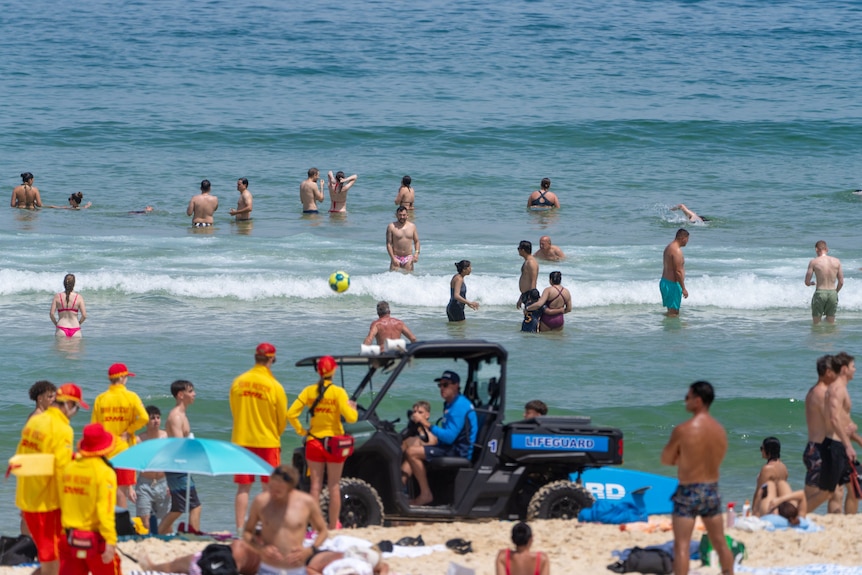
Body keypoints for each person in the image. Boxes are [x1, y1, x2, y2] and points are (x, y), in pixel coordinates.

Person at [660, 381, 734, 575]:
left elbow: (666, 459)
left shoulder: (684, 430)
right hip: (711, 489)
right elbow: (717, 458)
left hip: (688, 489)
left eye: (688, 397)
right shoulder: (720, 431)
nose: (685, 400)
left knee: (682, 545)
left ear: (698, 400)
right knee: (719, 542)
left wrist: (682, 459)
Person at [15, 383, 88, 575]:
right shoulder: (62, 429)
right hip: (47, 504)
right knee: (54, 560)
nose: (75, 413)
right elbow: (61, 471)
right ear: (68, 405)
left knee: (50, 560)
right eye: (77, 408)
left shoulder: (35, 422)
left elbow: (22, 459)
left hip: (29, 497)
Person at [287, 356, 358, 530]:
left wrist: (301, 431)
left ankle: (316, 525)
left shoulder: (308, 391)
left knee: (315, 486)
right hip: (333, 443)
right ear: (334, 371)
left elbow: (291, 414)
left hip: (314, 441)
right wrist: (353, 409)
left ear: (318, 371)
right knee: (334, 486)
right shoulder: (338, 392)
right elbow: (351, 419)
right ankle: (333, 525)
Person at [230, 343, 288, 534]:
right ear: (272, 359)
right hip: (267, 440)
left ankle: (240, 529)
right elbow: (282, 418)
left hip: (242, 439)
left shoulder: (238, 382)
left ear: (256, 357)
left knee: (243, 488)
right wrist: (275, 434)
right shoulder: (274, 386)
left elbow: (234, 410)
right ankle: (267, 526)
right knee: (269, 488)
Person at [402, 370, 477, 506]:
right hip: (450, 447)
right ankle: (402, 491)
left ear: (456, 385)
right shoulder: (450, 404)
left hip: (458, 451)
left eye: (445, 385)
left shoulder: (459, 405)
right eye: (440, 385)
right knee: (413, 449)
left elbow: (449, 437)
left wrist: (425, 423)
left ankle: (426, 495)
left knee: (411, 452)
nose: (442, 388)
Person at [58, 423, 121, 575]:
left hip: (67, 537)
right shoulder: (105, 473)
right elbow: (105, 510)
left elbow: (59, 502)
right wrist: (110, 540)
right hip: (95, 539)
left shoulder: (68, 468)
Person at [241, 465, 329, 575]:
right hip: (267, 569)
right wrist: (260, 549)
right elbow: (247, 532)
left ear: (290, 489)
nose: (273, 493)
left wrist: (310, 550)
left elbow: (323, 531)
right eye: (271, 488)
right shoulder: (261, 502)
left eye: (278, 491)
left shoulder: (307, 503)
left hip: (296, 570)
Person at [91, 362, 149, 509]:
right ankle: (121, 522)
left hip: (105, 450)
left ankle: (105, 519)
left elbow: (94, 427)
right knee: (121, 491)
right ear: (122, 378)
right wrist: (129, 430)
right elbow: (144, 418)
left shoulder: (100, 398)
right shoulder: (132, 397)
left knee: (106, 489)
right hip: (125, 450)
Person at [803, 355, 845, 513]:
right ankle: (795, 517)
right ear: (828, 372)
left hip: (816, 448)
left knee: (836, 492)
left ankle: (834, 522)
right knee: (823, 494)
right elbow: (832, 422)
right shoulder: (823, 393)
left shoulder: (814, 391)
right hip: (821, 450)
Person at [159, 380, 202, 534]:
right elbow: (179, 446)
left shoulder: (182, 415)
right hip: (177, 465)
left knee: (179, 507)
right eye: (190, 391)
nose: (194, 394)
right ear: (180, 395)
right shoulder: (176, 417)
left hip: (179, 465)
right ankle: (193, 536)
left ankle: (158, 534)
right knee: (194, 506)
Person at [821, 351, 859, 514]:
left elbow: (841, 419)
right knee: (837, 491)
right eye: (853, 366)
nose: (855, 369)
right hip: (835, 445)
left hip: (839, 444)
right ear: (844, 369)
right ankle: (837, 521)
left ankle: (846, 520)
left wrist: (855, 437)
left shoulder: (840, 388)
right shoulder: (837, 389)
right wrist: (848, 445)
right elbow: (834, 419)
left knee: (852, 488)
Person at [135, 405, 170, 535]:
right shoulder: (139, 440)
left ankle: (165, 542)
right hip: (144, 483)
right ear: (146, 421)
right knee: (145, 522)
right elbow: (132, 464)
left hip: (163, 483)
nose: (156, 421)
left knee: (166, 524)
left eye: (158, 417)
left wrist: (172, 483)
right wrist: (130, 487)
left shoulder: (166, 437)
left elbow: (172, 461)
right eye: (152, 418)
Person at [804, 240, 844, 324]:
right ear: (827, 249)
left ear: (816, 249)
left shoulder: (814, 262)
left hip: (820, 293)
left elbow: (807, 282)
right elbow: (841, 282)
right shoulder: (837, 261)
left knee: (816, 323)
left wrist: (811, 283)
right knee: (831, 322)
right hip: (833, 293)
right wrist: (835, 292)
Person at [751, 437, 790, 516]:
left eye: (762, 448)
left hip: (769, 507)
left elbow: (759, 492)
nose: (761, 451)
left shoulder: (767, 469)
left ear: (768, 450)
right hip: (781, 506)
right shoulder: (783, 467)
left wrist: (754, 510)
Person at [660, 229, 690, 317]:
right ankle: (670, 326)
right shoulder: (676, 251)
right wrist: (683, 288)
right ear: (683, 238)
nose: (687, 242)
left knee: (671, 312)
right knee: (674, 313)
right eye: (687, 239)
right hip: (672, 285)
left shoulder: (669, 247)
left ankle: (665, 325)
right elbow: (678, 271)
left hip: (665, 282)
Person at [50, 273, 87, 338]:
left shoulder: (57, 296)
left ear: (64, 283)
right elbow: (84, 315)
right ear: (74, 284)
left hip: (61, 328)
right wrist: (79, 323)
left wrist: (56, 323)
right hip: (75, 328)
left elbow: (51, 314)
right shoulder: (79, 297)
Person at [386, 206, 420, 271]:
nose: (402, 217)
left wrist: (416, 254)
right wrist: (392, 258)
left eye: (404, 215)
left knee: (409, 276)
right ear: (396, 215)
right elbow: (389, 244)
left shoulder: (412, 226)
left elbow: (417, 241)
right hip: (396, 256)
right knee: (393, 276)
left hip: (408, 257)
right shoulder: (391, 227)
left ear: (407, 215)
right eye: (400, 215)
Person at [516, 240, 539, 309]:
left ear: (523, 250)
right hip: (525, 294)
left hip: (529, 295)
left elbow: (533, 281)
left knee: (530, 315)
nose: (518, 250)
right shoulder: (527, 261)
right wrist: (521, 298)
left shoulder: (531, 263)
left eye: (518, 248)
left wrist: (531, 298)